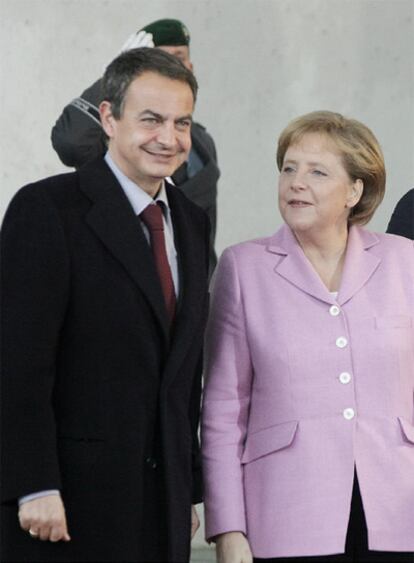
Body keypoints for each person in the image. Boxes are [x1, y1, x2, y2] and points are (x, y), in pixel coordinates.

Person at [1, 47, 210, 563]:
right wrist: (33, 484)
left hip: (160, 508)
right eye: (151, 119)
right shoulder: (46, 209)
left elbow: (183, 368)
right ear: (109, 118)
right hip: (65, 508)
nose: (169, 137)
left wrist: (187, 485)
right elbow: (16, 363)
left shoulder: (190, 218)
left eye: (182, 122)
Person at [201, 111, 414, 563]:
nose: (297, 182)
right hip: (284, 515)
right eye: (288, 168)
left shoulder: (405, 261)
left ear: (355, 190)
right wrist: (228, 527)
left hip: (399, 511)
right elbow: (222, 410)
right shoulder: (243, 267)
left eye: (317, 171)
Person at [51, 18, 220, 277]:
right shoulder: (115, 138)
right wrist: (112, 82)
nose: (166, 140)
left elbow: (204, 236)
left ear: (190, 68)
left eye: (178, 57)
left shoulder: (200, 143)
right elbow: (70, 142)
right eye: (158, 59)